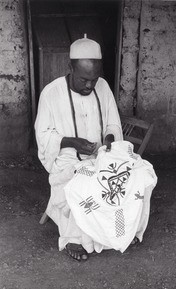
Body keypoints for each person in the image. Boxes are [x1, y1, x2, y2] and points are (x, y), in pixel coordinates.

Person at [35, 35, 124, 261]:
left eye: (94, 79)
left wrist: (109, 139)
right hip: (66, 159)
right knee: (79, 184)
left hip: (100, 156)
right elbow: (43, 135)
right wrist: (72, 142)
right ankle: (74, 238)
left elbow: (113, 123)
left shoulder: (102, 87)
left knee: (132, 177)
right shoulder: (51, 93)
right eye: (84, 79)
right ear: (70, 68)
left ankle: (119, 231)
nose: (89, 85)